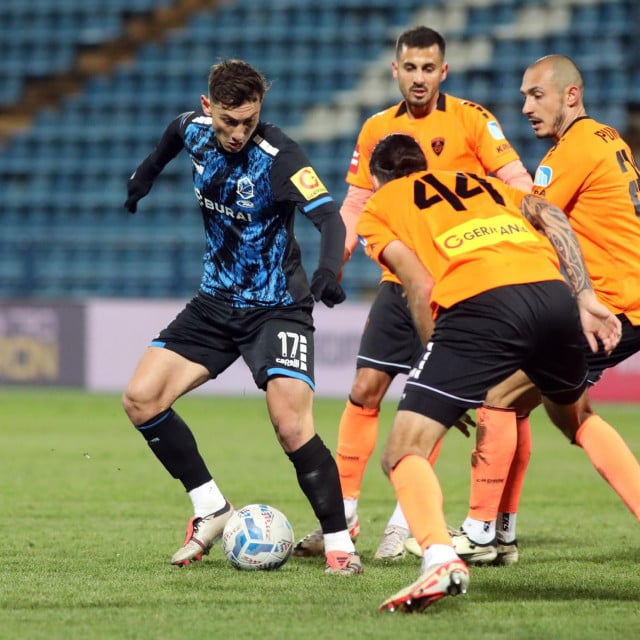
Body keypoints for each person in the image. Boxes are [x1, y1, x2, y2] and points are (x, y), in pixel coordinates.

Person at [356, 133, 636, 613]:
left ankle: (440, 558)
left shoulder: (380, 209)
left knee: (403, 450)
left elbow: (420, 285)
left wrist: (437, 373)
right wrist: (586, 297)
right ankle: (487, 531)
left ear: (377, 181)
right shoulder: (477, 181)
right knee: (575, 415)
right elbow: (552, 216)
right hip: (552, 293)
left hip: (483, 302)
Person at [293, 25, 533, 562]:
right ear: (395, 70)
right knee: (365, 388)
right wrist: (334, 262)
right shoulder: (377, 128)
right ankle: (344, 519)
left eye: (430, 68)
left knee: (433, 400)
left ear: (443, 72)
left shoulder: (472, 119)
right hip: (399, 280)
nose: (419, 78)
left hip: (458, 281)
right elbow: (356, 205)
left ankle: (406, 523)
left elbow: (517, 181)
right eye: (411, 68)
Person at [121, 59, 363, 576]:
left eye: (248, 121)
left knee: (291, 425)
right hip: (214, 303)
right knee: (141, 399)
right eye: (229, 121)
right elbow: (170, 136)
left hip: (277, 306)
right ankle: (210, 508)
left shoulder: (279, 156)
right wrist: (144, 175)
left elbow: (328, 217)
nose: (237, 133)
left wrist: (327, 273)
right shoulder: (195, 129)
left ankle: (340, 543)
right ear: (210, 109)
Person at [442, 54, 640, 564]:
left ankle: (482, 531)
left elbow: (536, 218)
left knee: (499, 396)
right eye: (524, 96)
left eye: (537, 95)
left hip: (612, 304)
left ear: (570, 95)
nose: (525, 106)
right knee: (563, 412)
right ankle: (500, 534)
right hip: (626, 296)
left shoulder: (569, 152)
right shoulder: (607, 138)